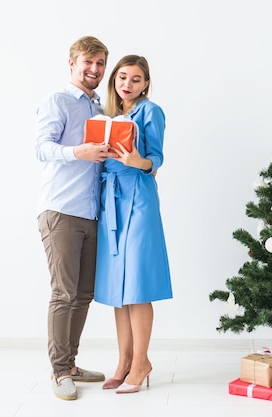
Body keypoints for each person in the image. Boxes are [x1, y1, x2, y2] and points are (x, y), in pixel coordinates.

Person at [35, 35, 112, 401]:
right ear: (73, 63)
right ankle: (59, 371)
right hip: (61, 211)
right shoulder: (58, 101)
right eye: (88, 63)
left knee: (84, 294)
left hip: (91, 212)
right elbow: (42, 148)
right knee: (63, 293)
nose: (94, 70)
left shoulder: (102, 108)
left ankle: (71, 363)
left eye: (100, 64)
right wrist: (77, 152)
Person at [94, 55, 173, 394]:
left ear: (145, 84)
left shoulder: (150, 111)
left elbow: (156, 157)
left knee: (137, 284)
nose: (127, 84)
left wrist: (137, 161)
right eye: (122, 77)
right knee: (119, 289)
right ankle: (124, 361)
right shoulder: (109, 116)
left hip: (138, 196)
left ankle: (141, 361)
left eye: (136, 79)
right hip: (111, 199)